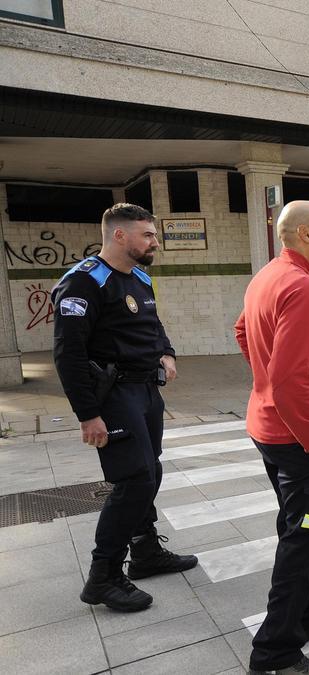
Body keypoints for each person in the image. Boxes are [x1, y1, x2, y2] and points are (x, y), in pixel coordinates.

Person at [51, 203, 194, 613]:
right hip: (112, 397)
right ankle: (104, 576)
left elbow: (153, 325)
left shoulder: (140, 278)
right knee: (133, 480)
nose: (155, 242)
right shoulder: (84, 283)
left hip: (146, 392)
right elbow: (68, 354)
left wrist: (165, 353)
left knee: (151, 471)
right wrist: (87, 415)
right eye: (147, 235)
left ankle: (145, 552)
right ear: (119, 235)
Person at [235, 201, 309, 675]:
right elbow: (289, 379)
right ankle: (274, 653)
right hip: (299, 441)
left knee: (298, 526)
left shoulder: (267, 276)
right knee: (303, 539)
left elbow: (242, 331)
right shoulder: (303, 288)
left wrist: (265, 383)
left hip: (268, 429)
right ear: (304, 234)